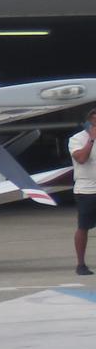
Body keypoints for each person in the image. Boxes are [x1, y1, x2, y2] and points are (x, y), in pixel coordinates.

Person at [73, 107, 96, 275]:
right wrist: (92, 140)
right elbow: (81, 158)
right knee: (84, 226)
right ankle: (81, 264)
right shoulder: (76, 139)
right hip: (86, 189)